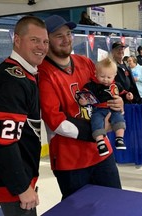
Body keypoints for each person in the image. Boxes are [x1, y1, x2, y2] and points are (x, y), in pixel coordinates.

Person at [38, 15, 123, 200]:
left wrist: (117, 102)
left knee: (116, 205)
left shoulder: (85, 62)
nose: (66, 39)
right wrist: (97, 131)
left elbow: (106, 89)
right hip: (70, 161)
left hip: (101, 153)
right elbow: (56, 121)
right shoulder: (43, 73)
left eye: (68, 33)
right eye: (59, 35)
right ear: (46, 40)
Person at [0, 16, 49, 216]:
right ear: (17, 40)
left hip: (19, 175)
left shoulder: (25, 74)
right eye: (34, 40)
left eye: (45, 42)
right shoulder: (11, 80)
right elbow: (3, 143)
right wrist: (21, 187)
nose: (42, 47)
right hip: (12, 183)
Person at [78, 57, 132, 153]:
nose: (105, 80)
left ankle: (119, 138)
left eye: (109, 77)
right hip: (98, 109)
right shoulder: (92, 85)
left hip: (113, 108)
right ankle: (100, 143)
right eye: (102, 76)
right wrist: (84, 102)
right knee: (96, 122)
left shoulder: (116, 85)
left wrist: (128, 95)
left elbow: (123, 93)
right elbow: (86, 96)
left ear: (114, 76)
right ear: (96, 74)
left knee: (119, 119)